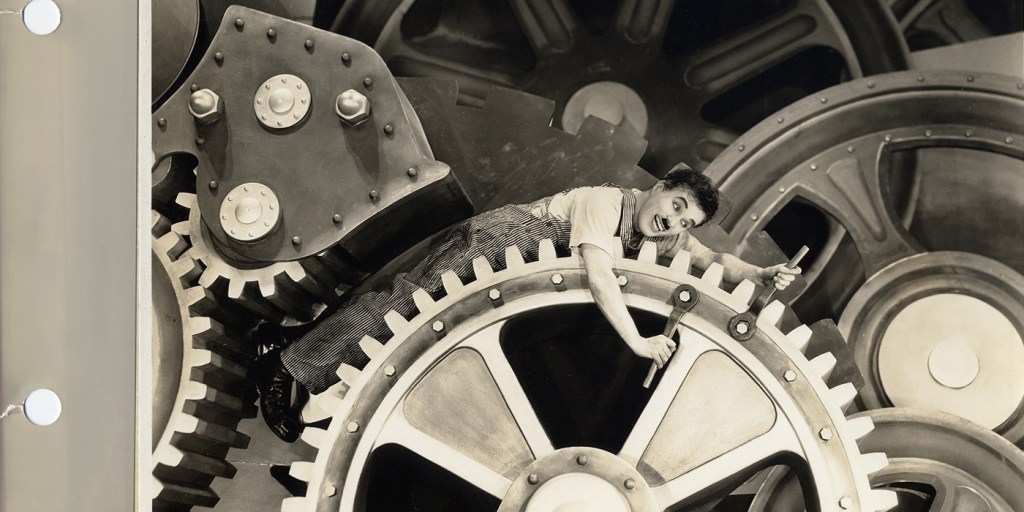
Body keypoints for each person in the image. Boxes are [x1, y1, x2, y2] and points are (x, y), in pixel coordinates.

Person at [255, 164, 800, 441]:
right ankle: (285, 368)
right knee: (395, 314)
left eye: (686, 221)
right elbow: (600, 276)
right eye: (676, 206)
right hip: (491, 246)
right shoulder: (606, 203)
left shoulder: (661, 233)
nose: (674, 223)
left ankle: (297, 356)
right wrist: (637, 341)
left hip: (506, 276)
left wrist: (760, 273)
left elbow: (714, 260)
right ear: (659, 188)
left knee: (404, 335)